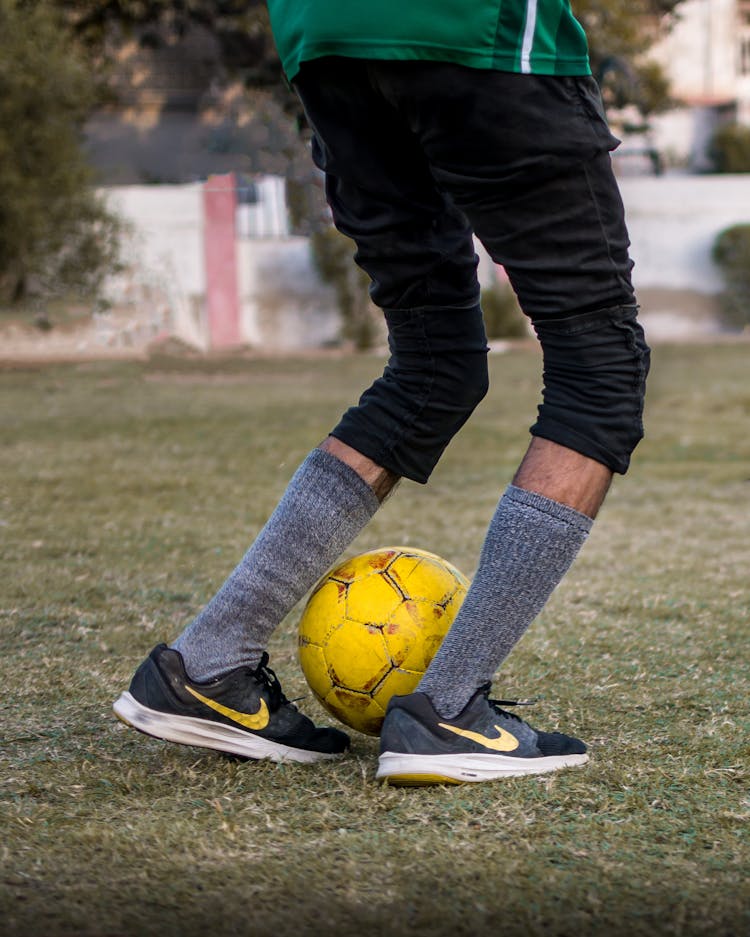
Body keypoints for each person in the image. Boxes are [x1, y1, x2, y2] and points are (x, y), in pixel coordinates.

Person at [113, 1, 650, 785]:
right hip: (476, 31)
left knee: (433, 364)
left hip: (324, 37)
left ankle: (206, 660)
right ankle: (451, 711)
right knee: (599, 365)